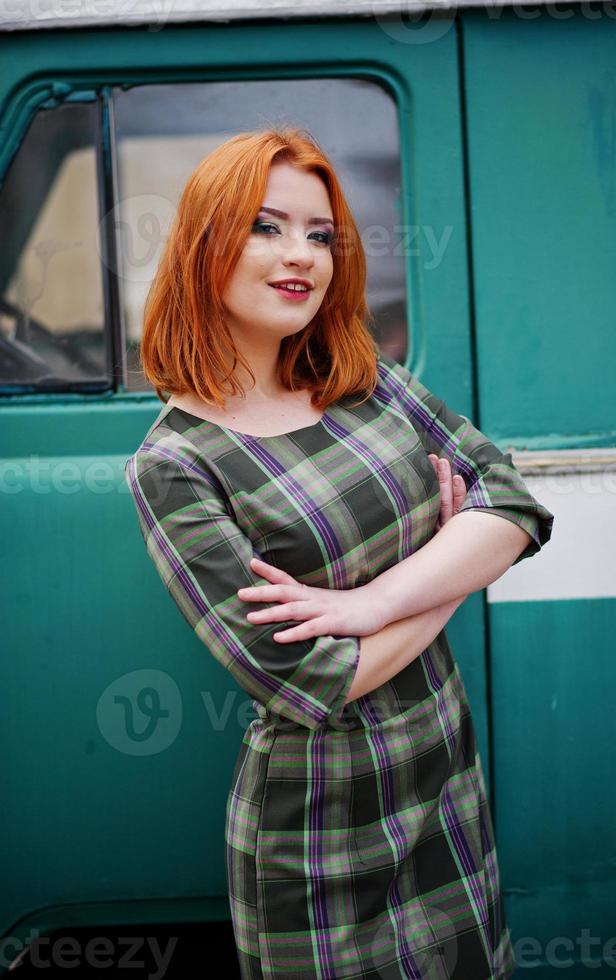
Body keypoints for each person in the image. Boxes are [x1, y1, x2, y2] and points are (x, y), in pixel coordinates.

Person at [124, 127, 554, 979]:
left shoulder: (366, 380)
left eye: (320, 234)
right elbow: (314, 680)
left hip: (443, 782)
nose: (303, 256)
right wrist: (451, 570)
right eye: (267, 227)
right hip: (320, 828)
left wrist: (371, 605)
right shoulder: (175, 464)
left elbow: (515, 505)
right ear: (207, 241)